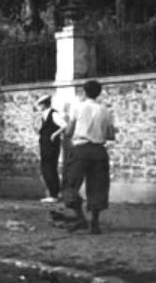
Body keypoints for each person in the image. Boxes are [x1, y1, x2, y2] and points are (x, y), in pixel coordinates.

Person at [62, 80, 116, 235]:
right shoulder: (105, 110)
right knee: (98, 186)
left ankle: (80, 218)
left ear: (84, 92)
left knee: (69, 184)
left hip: (81, 149)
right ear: (98, 93)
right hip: (99, 150)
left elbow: (69, 132)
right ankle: (95, 224)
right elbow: (111, 135)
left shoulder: (78, 107)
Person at [35, 95, 67, 203]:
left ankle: (54, 194)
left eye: (40, 105)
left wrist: (54, 134)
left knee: (50, 168)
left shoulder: (53, 114)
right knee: (46, 168)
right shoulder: (44, 115)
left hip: (51, 145)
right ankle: (53, 193)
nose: (39, 107)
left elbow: (64, 126)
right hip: (45, 145)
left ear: (44, 104)